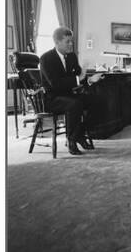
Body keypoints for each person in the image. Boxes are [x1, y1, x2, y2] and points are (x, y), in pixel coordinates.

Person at [39, 27, 104, 156]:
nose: (71, 44)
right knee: (75, 104)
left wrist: (90, 80)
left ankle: (79, 134)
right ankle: (72, 139)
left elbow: (80, 78)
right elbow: (55, 84)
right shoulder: (46, 58)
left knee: (95, 100)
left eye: (71, 41)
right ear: (57, 42)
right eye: (67, 41)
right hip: (52, 99)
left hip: (69, 96)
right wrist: (79, 78)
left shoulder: (72, 57)